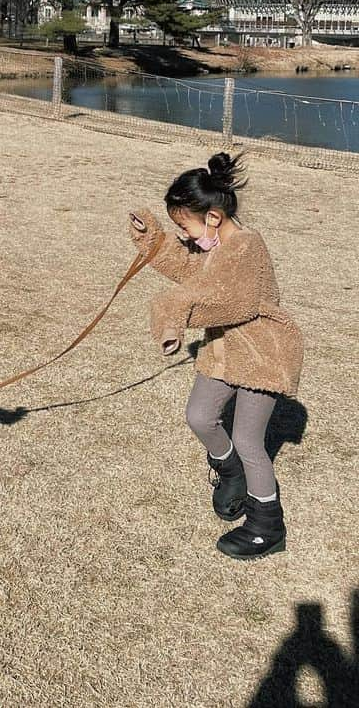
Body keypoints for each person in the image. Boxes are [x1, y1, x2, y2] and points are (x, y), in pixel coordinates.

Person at [128, 153, 303, 560]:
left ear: (213, 216)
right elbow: (192, 272)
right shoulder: (214, 244)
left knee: (247, 438)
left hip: (261, 353)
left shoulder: (246, 246)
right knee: (200, 416)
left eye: (183, 225)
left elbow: (230, 301)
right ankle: (231, 472)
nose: (184, 236)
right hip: (225, 350)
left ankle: (266, 526)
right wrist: (153, 239)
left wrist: (173, 312)